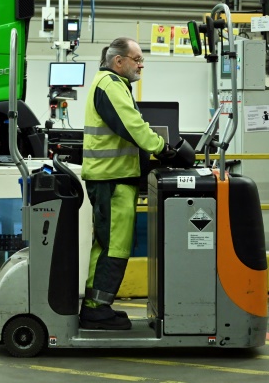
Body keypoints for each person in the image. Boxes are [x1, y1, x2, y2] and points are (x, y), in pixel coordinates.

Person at [80, 37, 176, 330]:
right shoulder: (109, 85)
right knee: (114, 247)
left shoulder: (113, 84)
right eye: (137, 59)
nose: (141, 65)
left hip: (114, 177)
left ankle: (98, 305)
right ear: (118, 61)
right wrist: (163, 148)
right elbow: (133, 126)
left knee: (108, 244)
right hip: (112, 179)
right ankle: (95, 309)